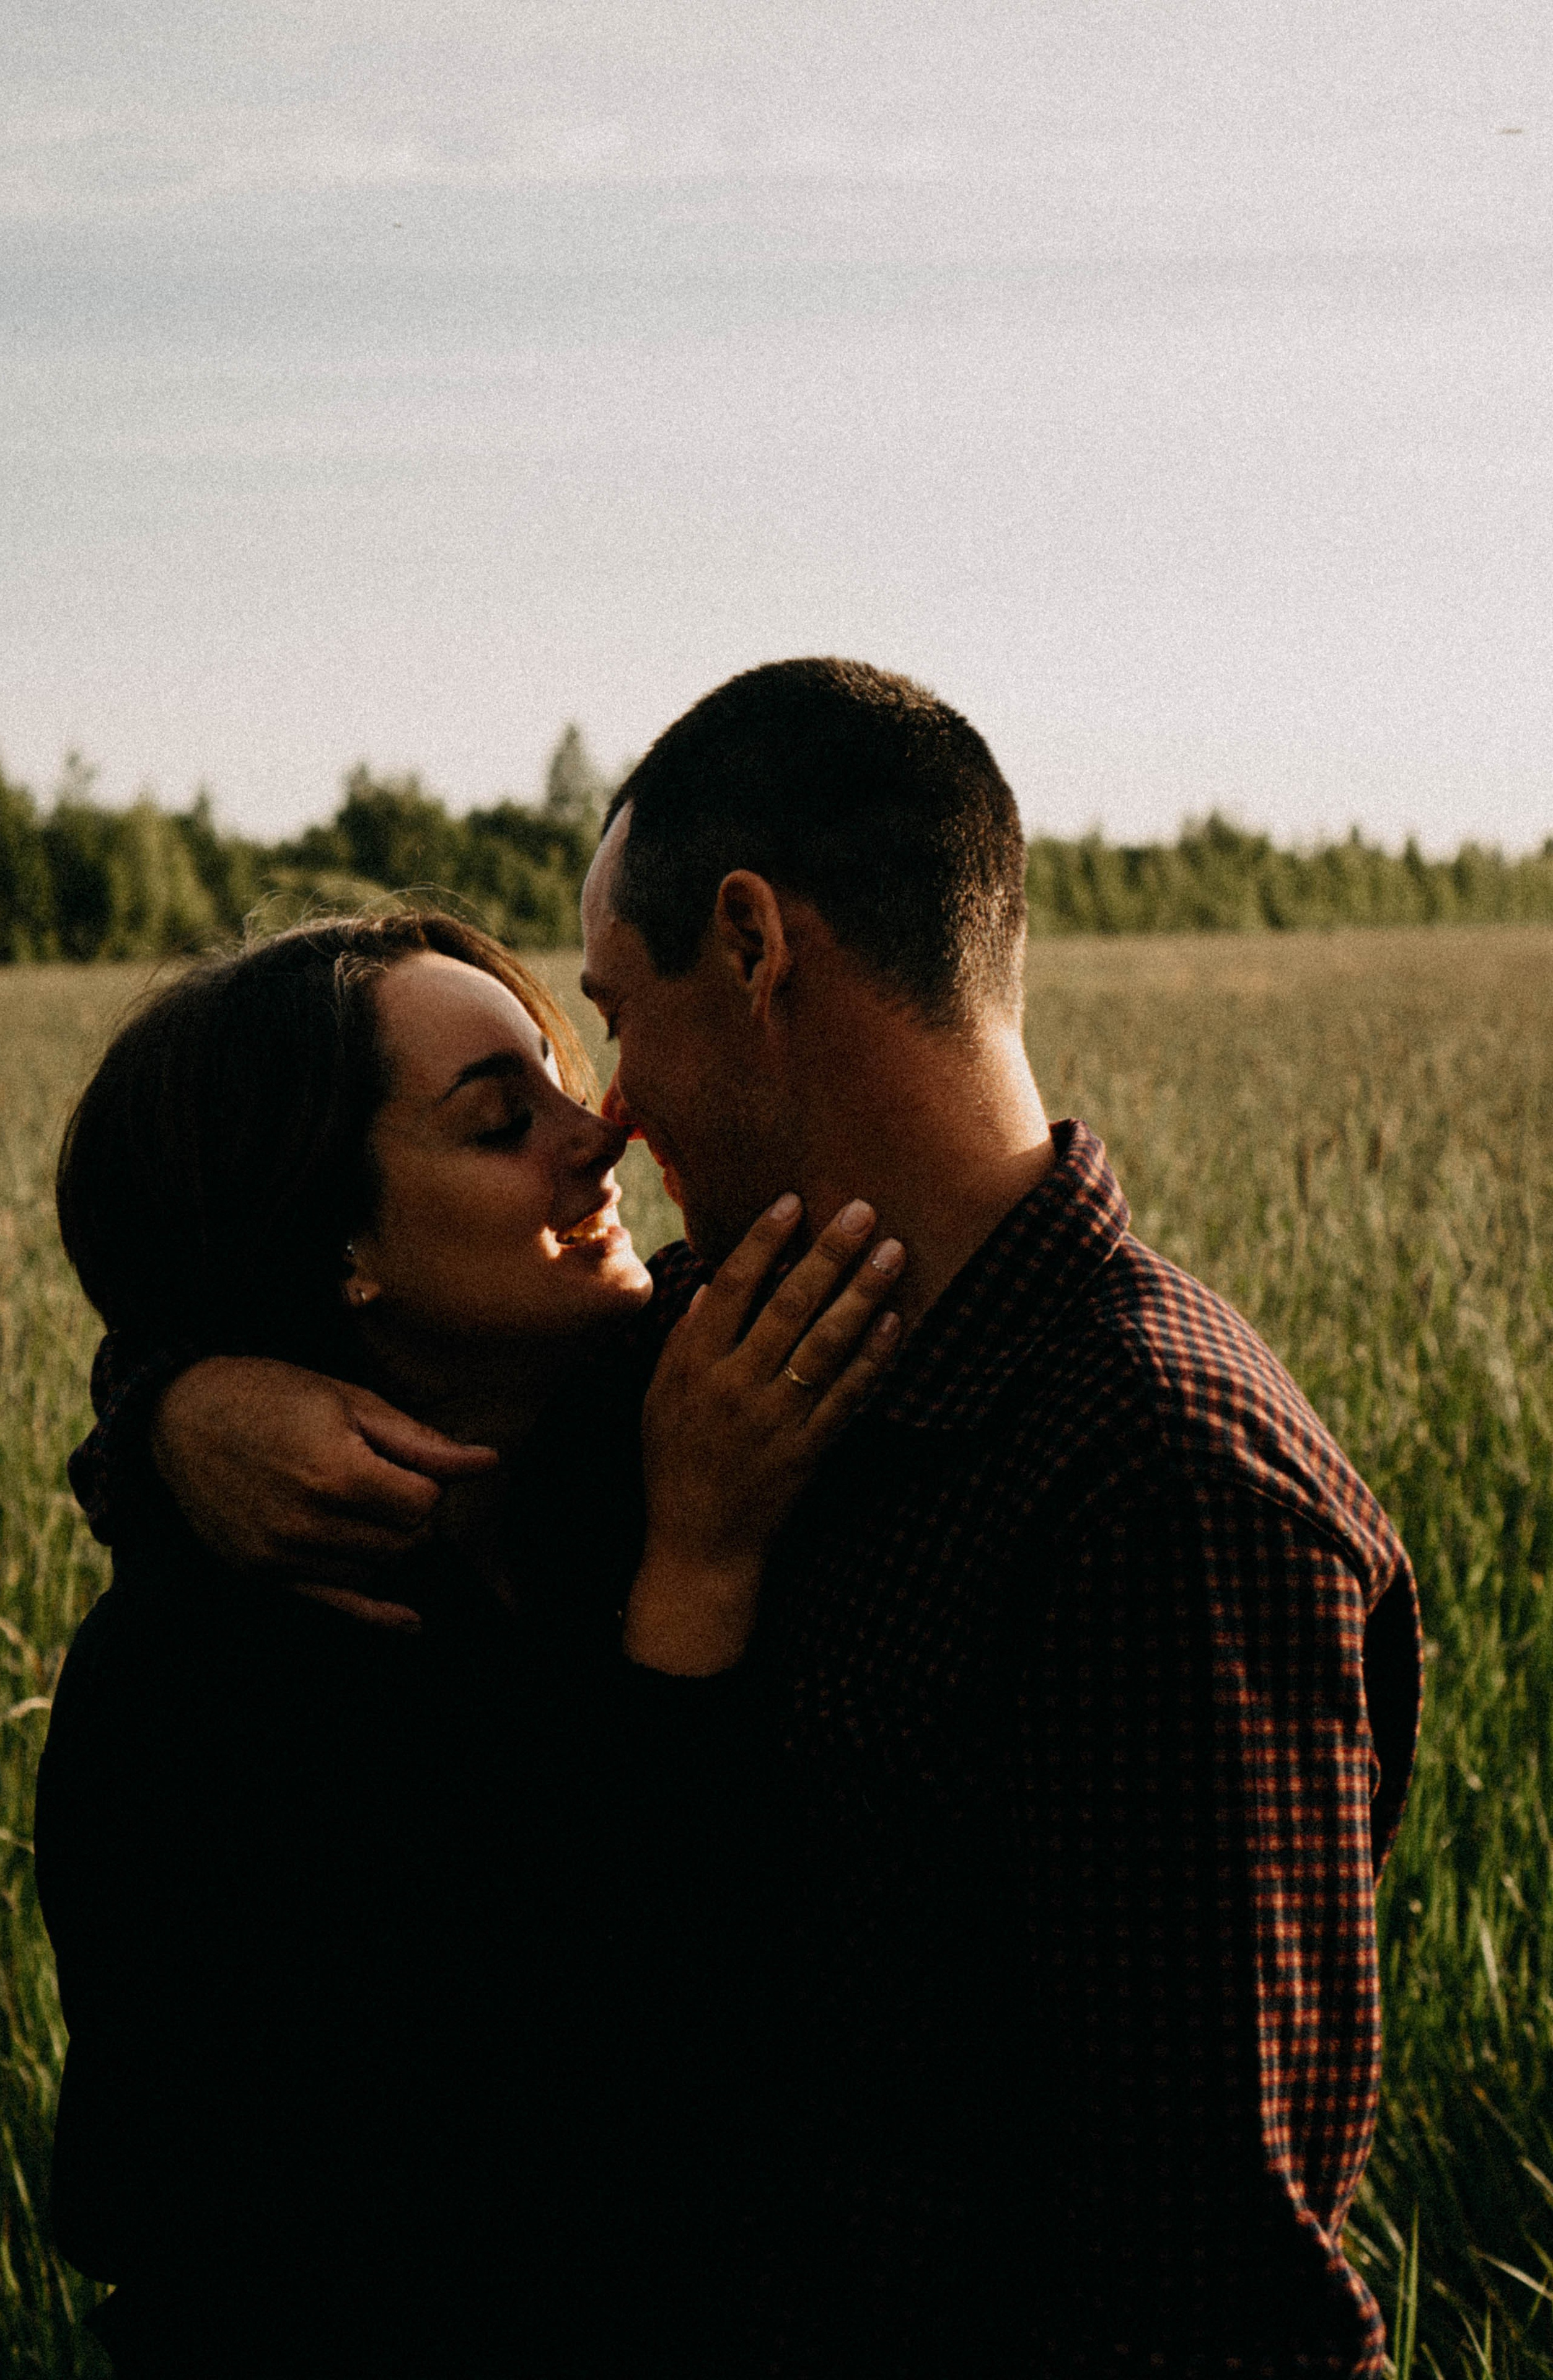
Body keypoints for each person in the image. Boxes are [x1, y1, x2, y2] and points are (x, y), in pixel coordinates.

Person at [72, 661, 1423, 2379]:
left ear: (756, 945)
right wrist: (179, 1399)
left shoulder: (1158, 1485)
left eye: (610, 1023)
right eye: (519, 1110)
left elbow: (1223, 2295)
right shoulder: (714, 1367)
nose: (608, 1117)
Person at [37, 909, 902, 2379]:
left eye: (568, 1080)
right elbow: (560, 2125)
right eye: (505, 1123)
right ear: (338, 1248)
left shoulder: (647, 1419)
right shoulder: (195, 1698)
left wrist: (164, 1397)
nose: (603, 1132)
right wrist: (694, 1582)